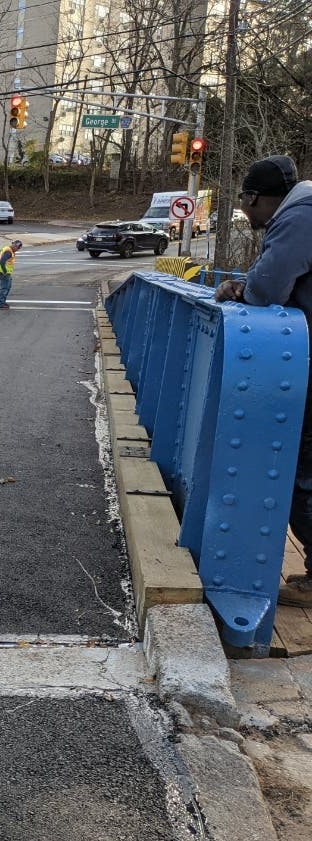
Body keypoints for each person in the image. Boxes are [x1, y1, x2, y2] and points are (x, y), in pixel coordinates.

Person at [213, 155, 312, 606]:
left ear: (254, 198)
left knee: (304, 471)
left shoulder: (299, 217)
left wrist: (243, 288)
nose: (247, 216)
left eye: (246, 206)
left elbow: (269, 287)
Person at [0, 239, 22, 309]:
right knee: (4, 288)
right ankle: (0, 304)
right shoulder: (8, 252)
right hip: (4, 273)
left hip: (6, 273)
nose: (17, 250)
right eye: (17, 248)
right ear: (15, 245)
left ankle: (2, 302)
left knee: (7, 287)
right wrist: (5, 272)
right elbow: (2, 261)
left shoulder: (10, 250)